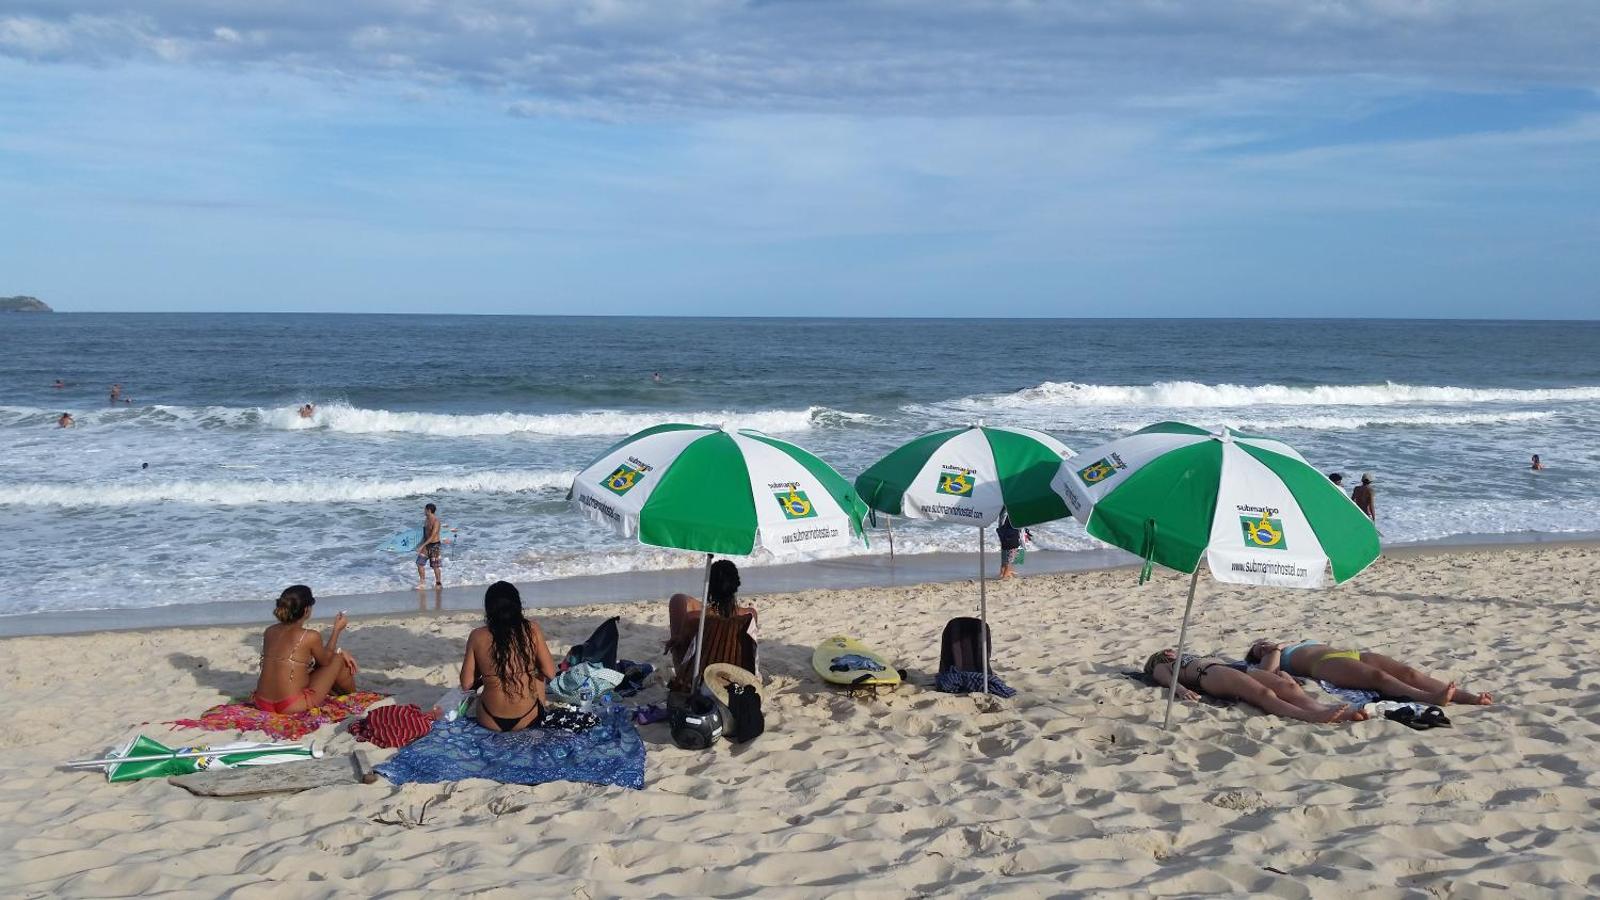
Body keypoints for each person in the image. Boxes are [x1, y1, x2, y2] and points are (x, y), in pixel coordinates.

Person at [1245, 639, 1491, 705]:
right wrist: (1269, 649)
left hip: (1352, 653)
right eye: (1257, 644)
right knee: (1379, 679)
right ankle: (1430, 698)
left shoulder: (1296, 642)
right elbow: (1270, 674)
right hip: (1324, 666)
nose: (1262, 642)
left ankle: (1465, 696)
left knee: (1408, 672)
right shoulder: (1269, 656)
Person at [1143, 649, 1360, 723]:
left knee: (1288, 688)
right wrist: (1181, 690)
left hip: (1230, 667)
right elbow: (1166, 680)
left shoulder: (1183, 654)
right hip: (1210, 675)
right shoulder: (1162, 664)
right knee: (1264, 694)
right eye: (1166, 650)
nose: (1171, 650)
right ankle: (1308, 716)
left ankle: (1324, 711)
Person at [459, 581, 557, 732]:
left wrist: (486, 677)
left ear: (489, 609)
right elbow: (550, 672)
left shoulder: (477, 636)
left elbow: (466, 684)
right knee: (538, 674)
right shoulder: (532, 629)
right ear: (517, 605)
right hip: (528, 717)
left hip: (489, 718)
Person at [252, 585, 358, 714]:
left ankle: (341, 691)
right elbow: (326, 661)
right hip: (290, 705)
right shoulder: (309, 636)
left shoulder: (270, 631)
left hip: (262, 703)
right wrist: (336, 630)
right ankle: (355, 696)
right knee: (338, 660)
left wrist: (338, 650)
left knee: (335, 657)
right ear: (306, 610)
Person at [666, 560, 757, 678]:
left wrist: (675, 640)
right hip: (736, 678)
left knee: (677, 601)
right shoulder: (750, 615)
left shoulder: (694, 617)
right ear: (736, 586)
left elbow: (681, 647)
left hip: (699, 680)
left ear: (709, 588)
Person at [415, 503, 443, 589]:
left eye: (425, 510)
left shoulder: (436, 522)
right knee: (419, 563)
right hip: (426, 544)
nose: (424, 511)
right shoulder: (426, 520)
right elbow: (425, 534)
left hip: (435, 545)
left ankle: (438, 583)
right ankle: (422, 582)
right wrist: (419, 544)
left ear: (429, 510)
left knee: (435, 566)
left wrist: (422, 546)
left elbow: (432, 536)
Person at [997, 513, 1028, 579]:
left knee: (1010, 546)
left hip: (1009, 525)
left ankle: (1006, 569)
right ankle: (1005, 571)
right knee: (1011, 547)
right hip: (1011, 531)